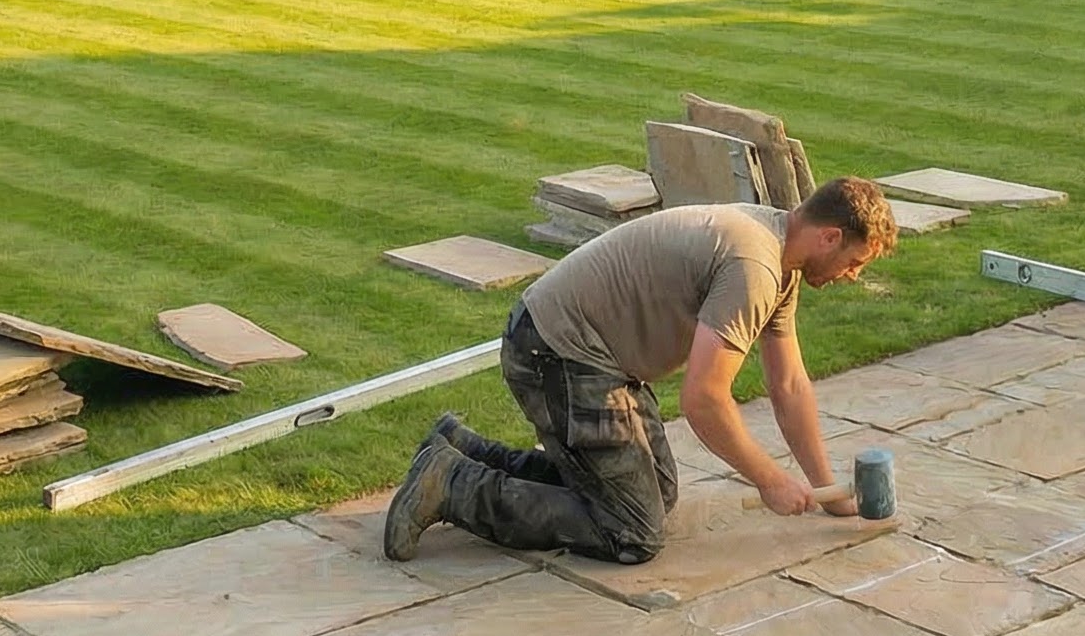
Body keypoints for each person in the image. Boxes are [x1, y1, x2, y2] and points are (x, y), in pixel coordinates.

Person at [383, 175, 900, 565]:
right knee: (631, 531)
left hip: (590, 356)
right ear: (829, 237)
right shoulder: (755, 266)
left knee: (656, 492)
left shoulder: (777, 254)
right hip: (557, 354)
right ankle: (451, 484)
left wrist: (826, 489)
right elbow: (704, 400)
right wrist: (769, 479)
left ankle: (463, 448)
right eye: (856, 262)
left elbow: (787, 385)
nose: (852, 277)